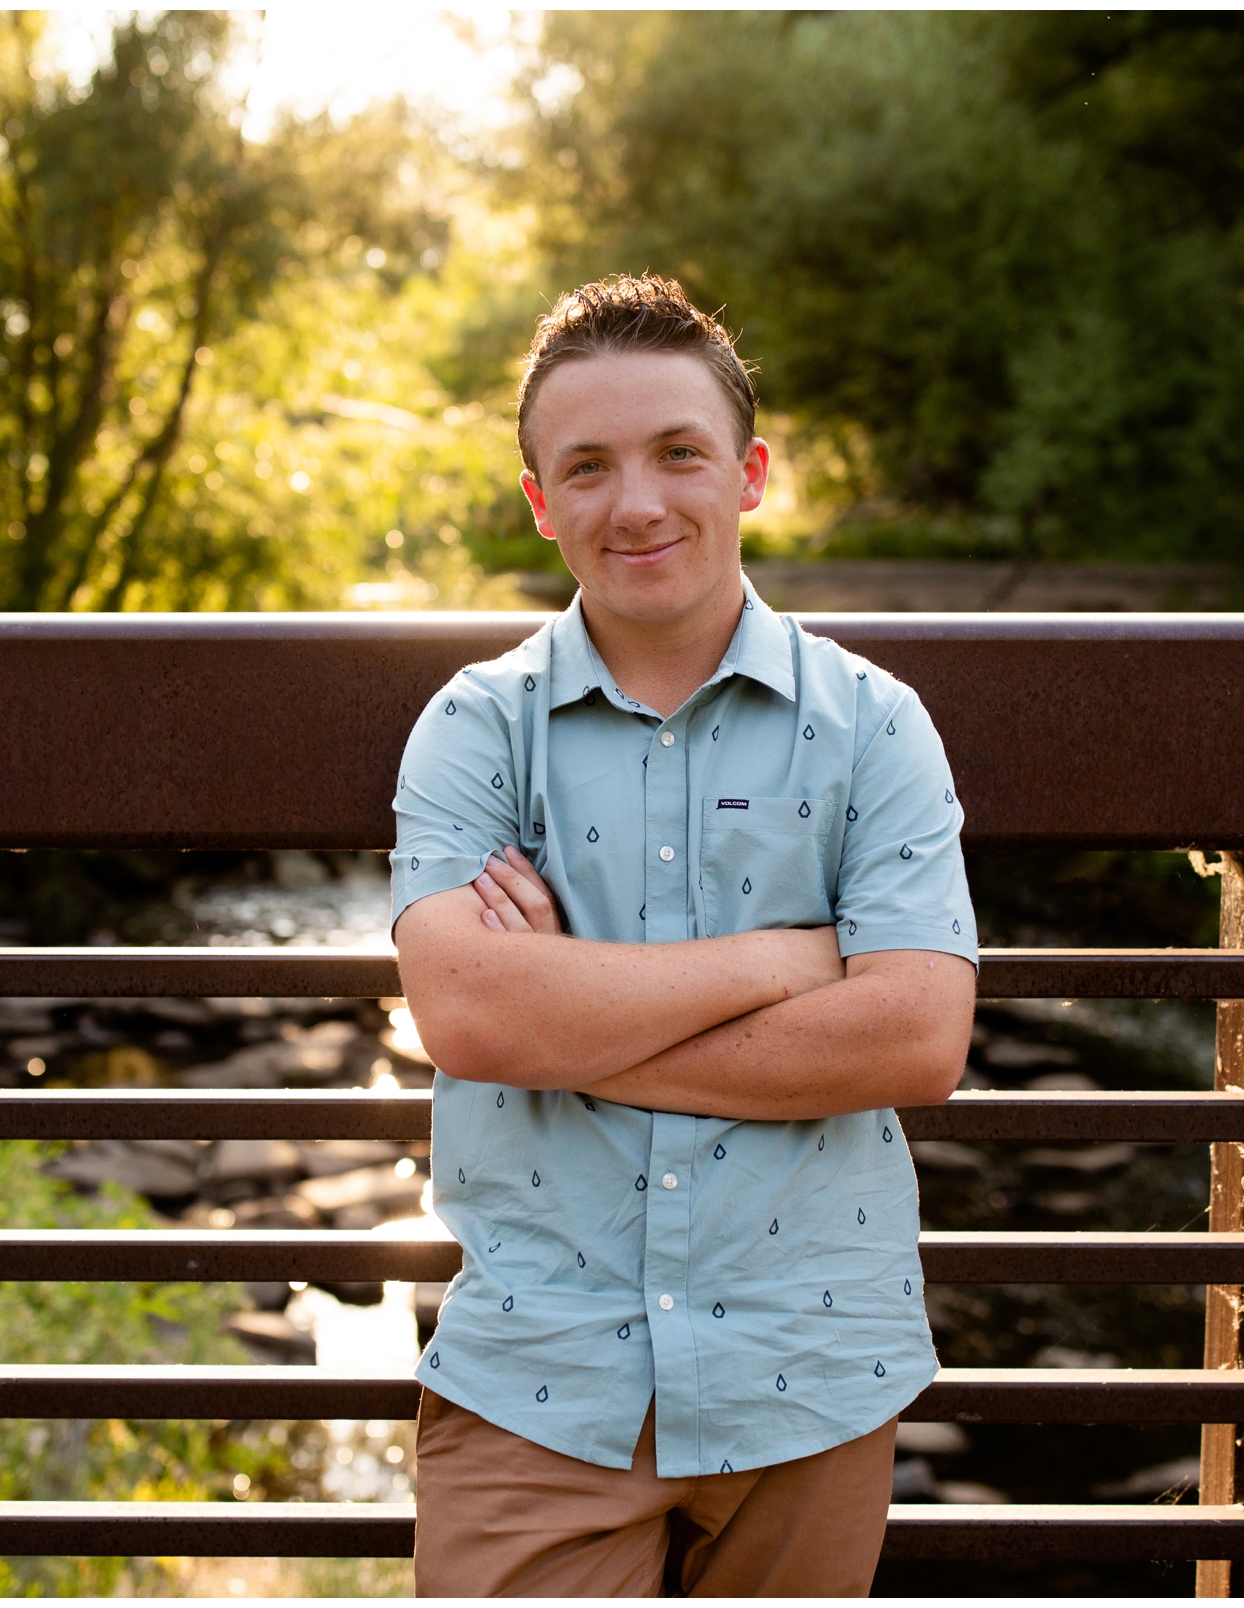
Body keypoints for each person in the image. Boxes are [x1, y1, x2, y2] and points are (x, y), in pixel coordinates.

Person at [390, 274, 978, 1597]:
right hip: (538, 1379)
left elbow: (919, 1036)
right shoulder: (477, 729)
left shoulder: (875, 724)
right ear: (540, 503)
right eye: (586, 467)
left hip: (810, 1374)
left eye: (678, 453)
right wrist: (788, 959)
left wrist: (567, 1020)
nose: (637, 502)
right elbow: (473, 1021)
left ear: (751, 473)